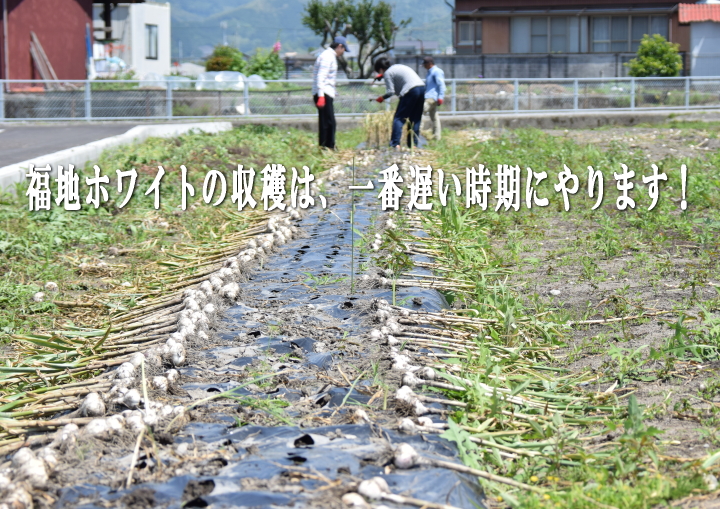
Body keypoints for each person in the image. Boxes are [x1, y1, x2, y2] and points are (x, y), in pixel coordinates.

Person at [372, 57, 425, 149]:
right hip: (421, 88)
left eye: (379, 72)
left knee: (399, 118)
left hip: (410, 90)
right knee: (415, 119)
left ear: (381, 69)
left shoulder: (388, 73)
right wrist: (382, 76)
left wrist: (382, 98)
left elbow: (390, 92)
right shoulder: (396, 67)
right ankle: (413, 145)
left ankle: (395, 144)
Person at [312, 36, 350, 149]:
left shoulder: (328, 56)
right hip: (323, 93)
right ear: (339, 46)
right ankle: (327, 146)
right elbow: (321, 77)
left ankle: (327, 146)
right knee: (328, 123)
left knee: (327, 122)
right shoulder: (327, 57)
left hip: (325, 92)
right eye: (343, 49)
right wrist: (321, 96)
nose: (343, 52)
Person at [422, 56, 446, 141]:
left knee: (420, 113)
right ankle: (437, 137)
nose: (424, 66)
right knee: (434, 117)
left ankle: (417, 134)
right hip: (429, 97)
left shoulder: (437, 71)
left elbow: (441, 85)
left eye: (424, 64)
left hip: (431, 98)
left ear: (429, 63)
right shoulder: (429, 72)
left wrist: (440, 97)